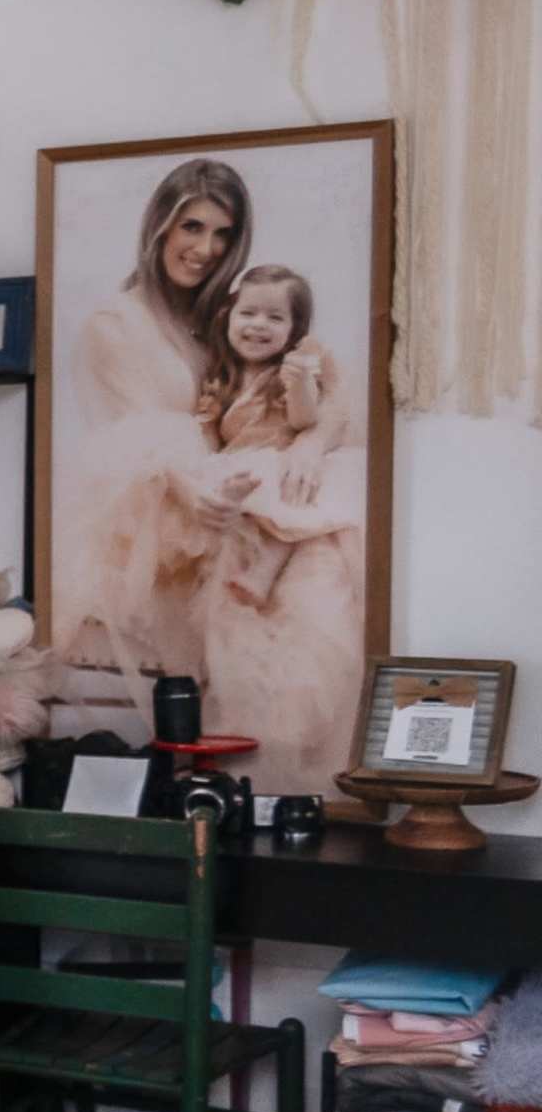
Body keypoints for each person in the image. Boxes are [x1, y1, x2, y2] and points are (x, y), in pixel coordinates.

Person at [66, 157, 251, 683]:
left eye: (223, 234)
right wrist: (191, 490)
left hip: (222, 497)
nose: (206, 249)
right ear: (160, 225)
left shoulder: (221, 319)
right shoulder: (116, 322)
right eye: (192, 226)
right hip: (154, 518)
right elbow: (131, 437)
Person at [186, 261, 366, 784]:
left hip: (282, 458)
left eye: (274, 318)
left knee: (287, 487)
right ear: (228, 316)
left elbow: (307, 423)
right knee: (244, 481)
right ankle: (255, 541)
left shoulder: (299, 363)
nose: (258, 326)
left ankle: (265, 568)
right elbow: (210, 434)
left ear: (294, 330)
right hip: (239, 465)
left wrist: (301, 383)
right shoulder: (219, 375)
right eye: (249, 313)